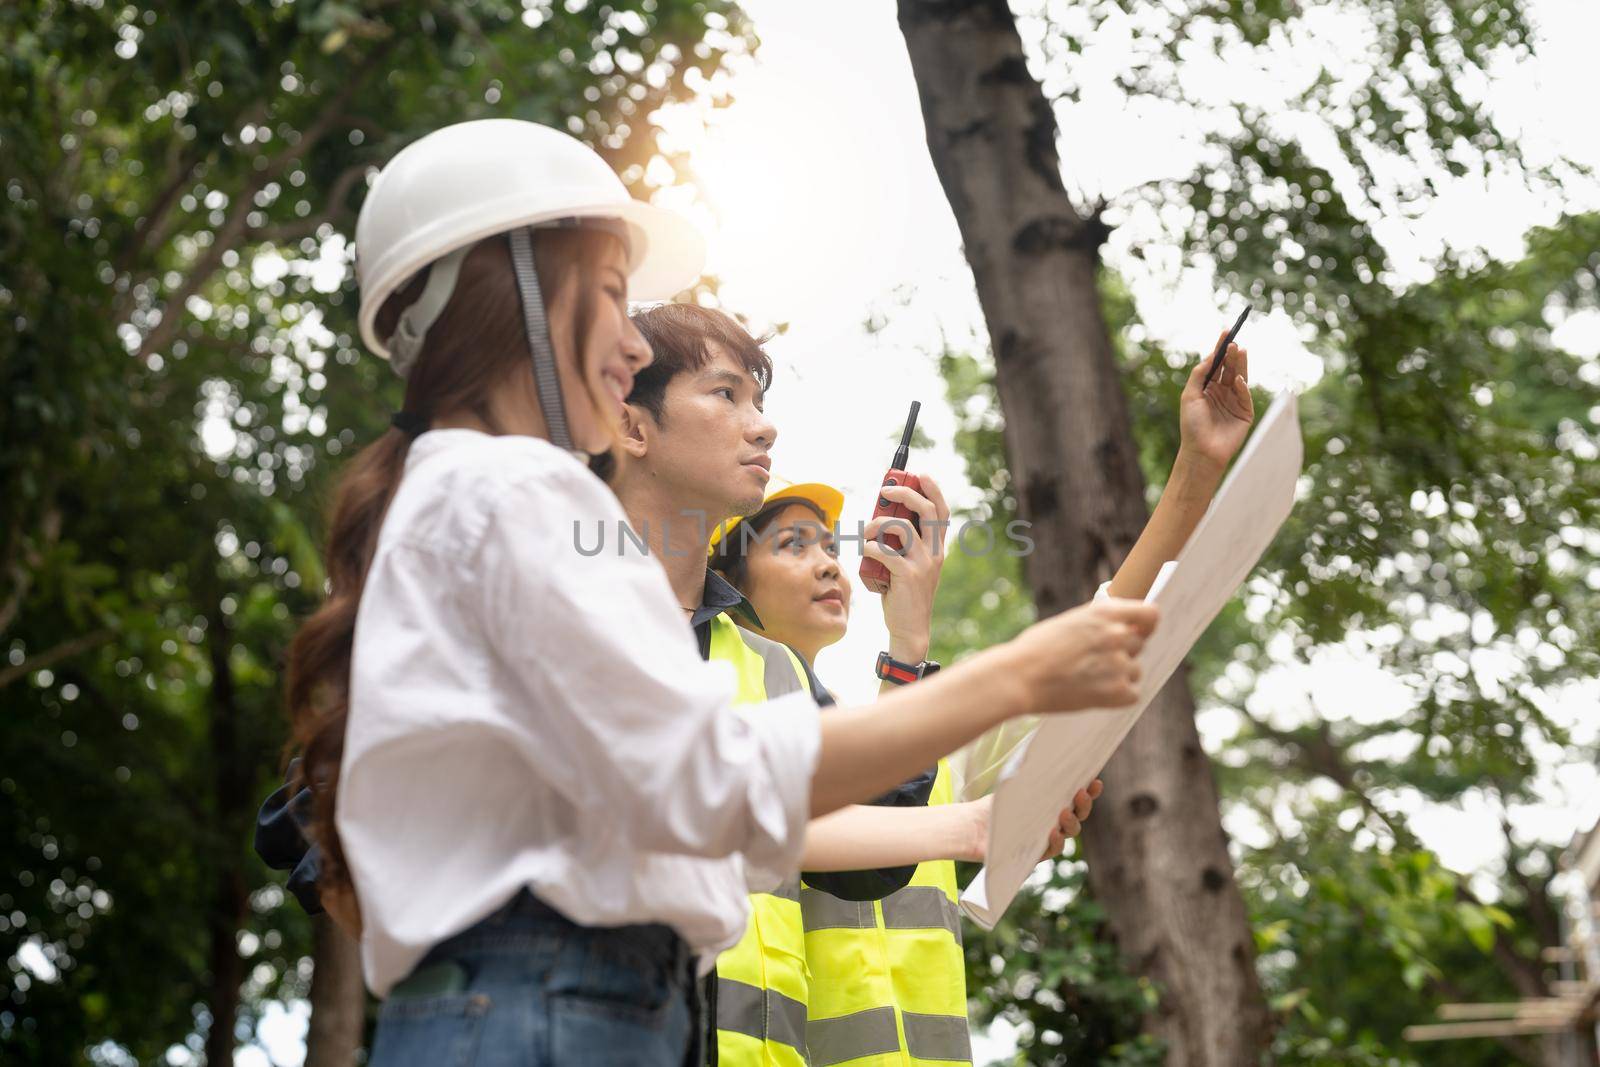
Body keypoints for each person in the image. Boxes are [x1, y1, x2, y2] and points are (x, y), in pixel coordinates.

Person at [281, 116, 1158, 1067]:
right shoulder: (507, 491)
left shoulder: (485, 497)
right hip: (543, 1014)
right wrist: (1018, 677)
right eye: (612, 295)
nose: (628, 344)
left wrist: (979, 823)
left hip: (566, 1009)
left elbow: (682, 819)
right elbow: (706, 778)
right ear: (510, 294)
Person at [707, 338, 1255, 1067]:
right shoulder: (718, 721)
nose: (827, 562)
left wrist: (1197, 469)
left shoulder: (933, 755)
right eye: (793, 545)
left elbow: (1103, 626)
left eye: (830, 546)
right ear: (731, 587)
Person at [604, 304, 1096, 1066]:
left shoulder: (773, 670)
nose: (762, 427)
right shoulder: (568, 617)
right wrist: (976, 817)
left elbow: (866, 848)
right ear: (632, 426)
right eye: (725, 395)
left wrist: (909, 643)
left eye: (760, 402)